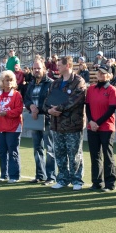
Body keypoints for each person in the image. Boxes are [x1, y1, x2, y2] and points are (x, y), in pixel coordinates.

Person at [43, 56, 86, 191]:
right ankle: (62, 179)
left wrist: (57, 109)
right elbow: (46, 102)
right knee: (60, 154)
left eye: (60, 65)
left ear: (68, 66)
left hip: (73, 125)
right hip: (57, 125)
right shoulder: (55, 83)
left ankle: (77, 180)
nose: (57, 68)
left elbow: (75, 100)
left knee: (74, 154)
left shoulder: (78, 81)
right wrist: (49, 110)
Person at [86, 65, 116, 192]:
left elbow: (111, 109)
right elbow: (87, 106)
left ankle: (110, 183)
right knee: (95, 155)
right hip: (92, 127)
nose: (100, 74)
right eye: (99, 72)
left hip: (106, 127)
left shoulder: (112, 89)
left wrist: (97, 122)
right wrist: (91, 122)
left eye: (103, 73)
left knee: (107, 155)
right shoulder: (91, 89)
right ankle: (96, 182)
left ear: (109, 75)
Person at [24, 56, 56, 185]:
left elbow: (52, 101)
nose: (36, 70)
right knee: (37, 148)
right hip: (35, 119)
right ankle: (39, 174)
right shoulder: (31, 84)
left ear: (44, 68)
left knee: (49, 149)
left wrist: (39, 109)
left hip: (47, 119)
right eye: (34, 68)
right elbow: (26, 98)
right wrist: (30, 106)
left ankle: (51, 176)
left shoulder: (51, 83)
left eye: (39, 68)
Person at [0, 70, 23, 183]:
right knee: (2, 151)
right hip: (0, 128)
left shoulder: (16, 95)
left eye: (11, 80)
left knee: (13, 151)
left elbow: (18, 110)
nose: (8, 82)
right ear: (2, 82)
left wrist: (6, 113)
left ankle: (14, 175)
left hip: (13, 128)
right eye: (6, 80)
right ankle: (4, 174)